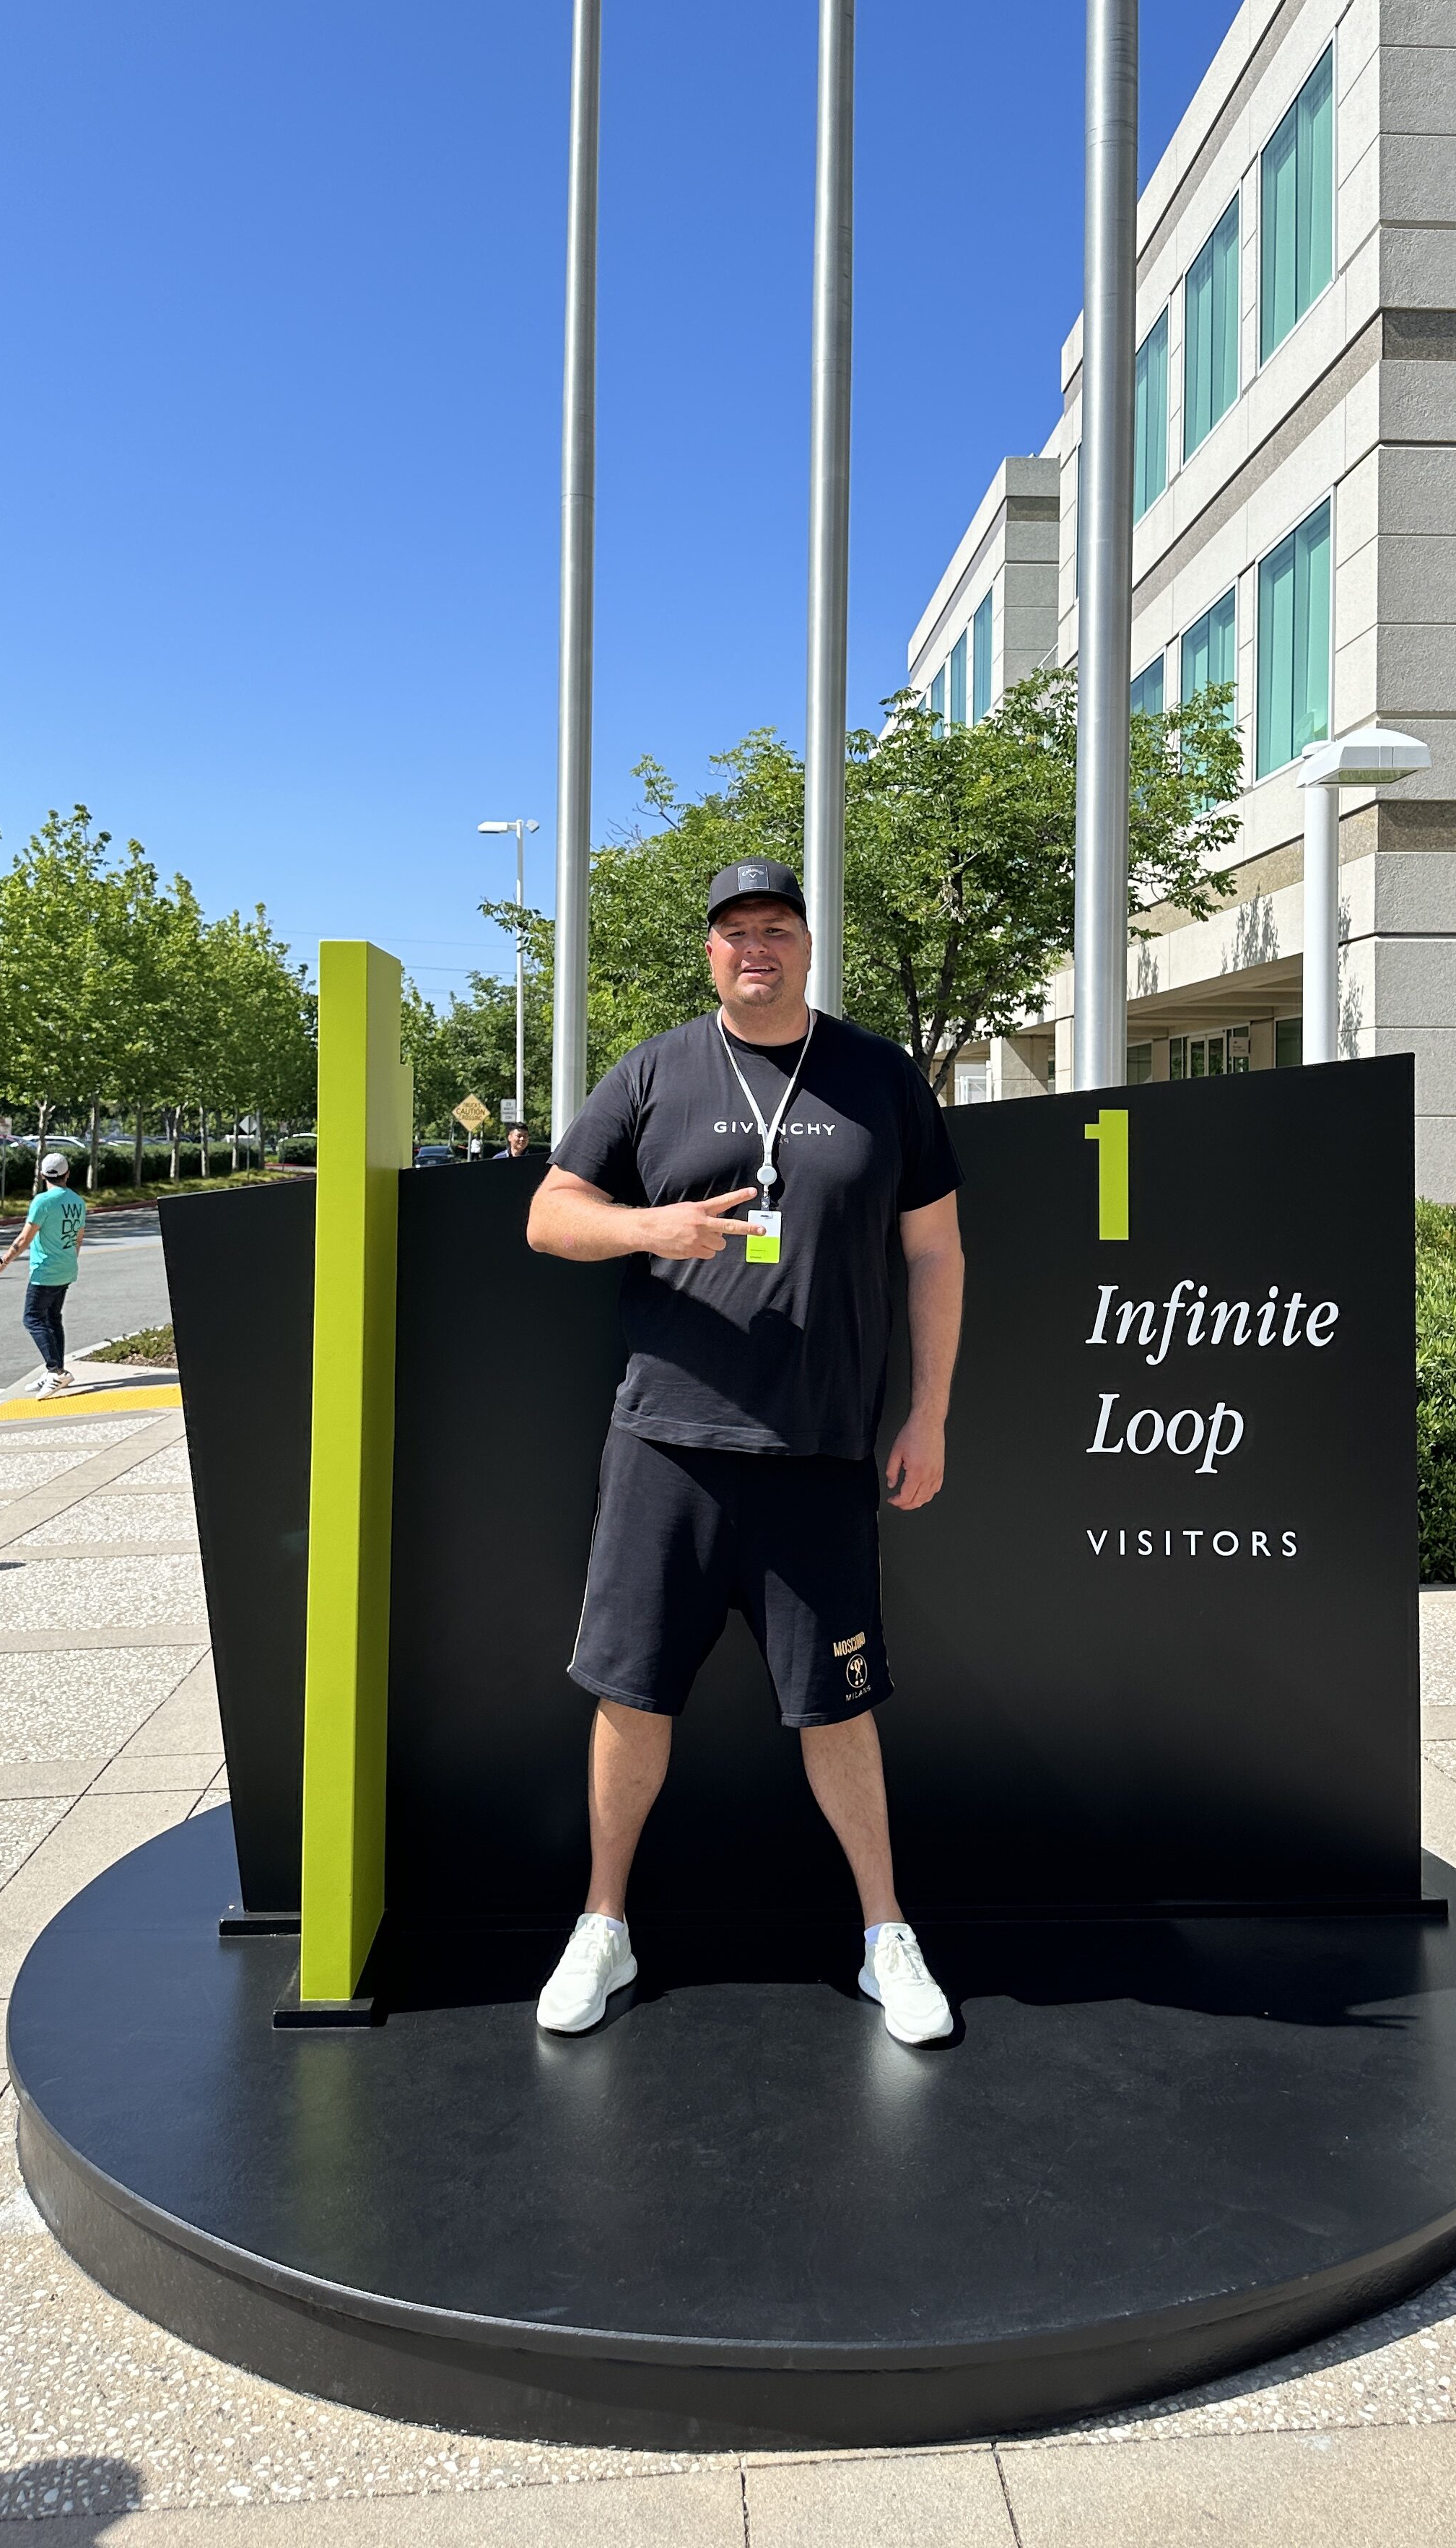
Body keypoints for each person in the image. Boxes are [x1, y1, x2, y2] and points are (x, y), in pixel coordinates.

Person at [526, 858, 966, 2046]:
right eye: (731, 932)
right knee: (629, 1692)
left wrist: (925, 1413)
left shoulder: (878, 1076)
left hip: (820, 1449)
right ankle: (602, 1925)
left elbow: (935, 1254)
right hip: (662, 1442)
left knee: (837, 1703)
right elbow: (548, 1212)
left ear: (807, 943)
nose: (752, 946)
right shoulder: (656, 1071)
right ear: (708, 953)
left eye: (773, 926)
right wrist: (648, 1225)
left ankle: (885, 1935)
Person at [0, 1151, 87, 1395]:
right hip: (66, 1268)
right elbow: (78, 1237)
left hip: (45, 1271)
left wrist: (4, 1261)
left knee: (32, 1318)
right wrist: (68, 1260)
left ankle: (56, 1371)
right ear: (68, 1174)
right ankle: (55, 1370)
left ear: (43, 1174)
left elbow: (25, 1238)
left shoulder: (43, 1201)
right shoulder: (77, 1201)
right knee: (53, 1318)